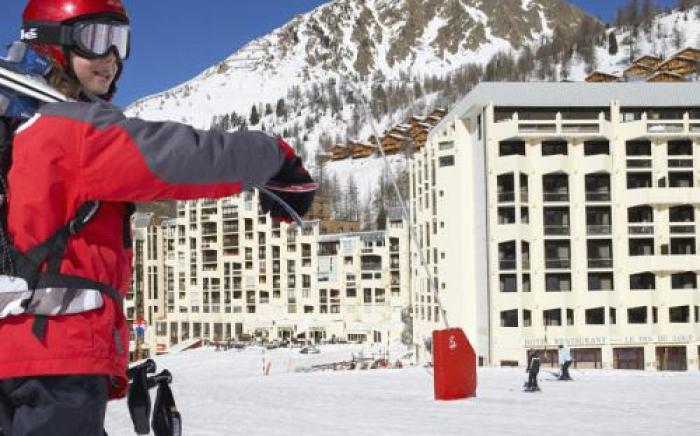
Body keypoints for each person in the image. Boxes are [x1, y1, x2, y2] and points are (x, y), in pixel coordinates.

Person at [0, 1, 314, 435]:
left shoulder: (16, 129)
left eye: (120, 42)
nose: (112, 58)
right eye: (96, 39)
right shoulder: (71, 132)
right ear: (52, 43)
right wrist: (275, 159)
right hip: (55, 357)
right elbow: (181, 157)